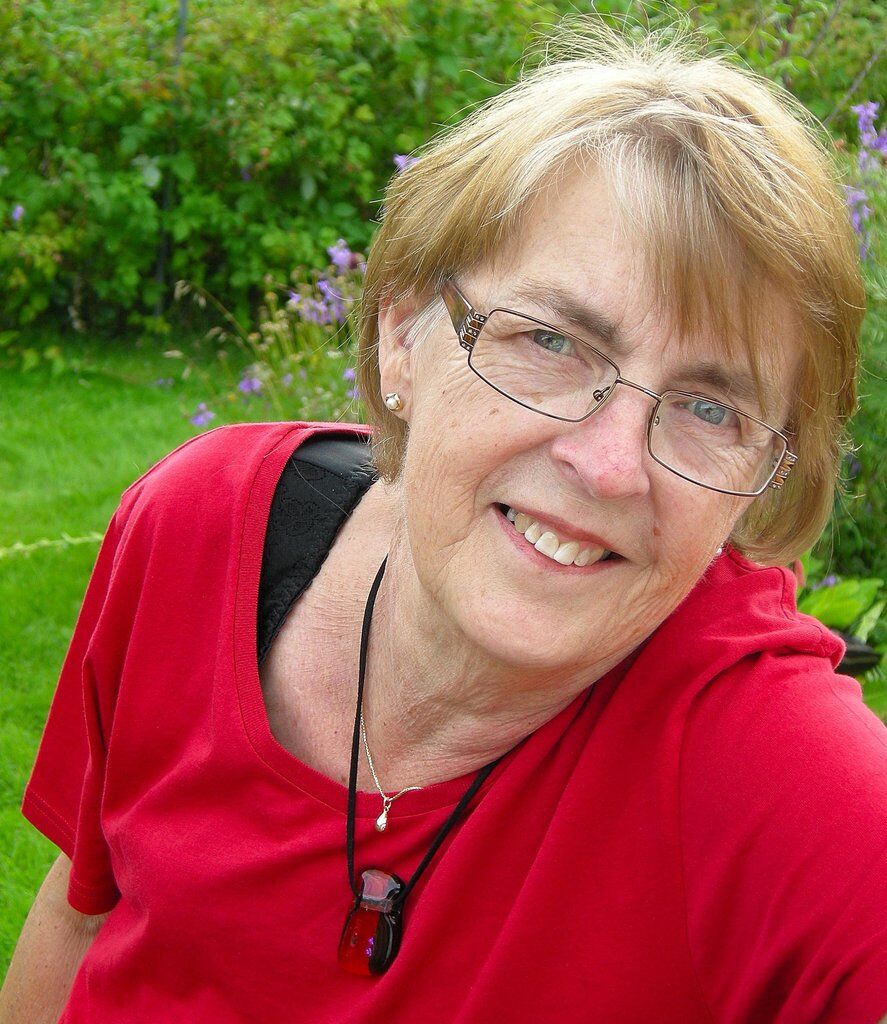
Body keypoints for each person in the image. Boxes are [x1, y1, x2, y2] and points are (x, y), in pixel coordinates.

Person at [2, 20, 886, 1024]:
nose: (607, 465)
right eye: (549, 340)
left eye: (707, 409)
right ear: (400, 333)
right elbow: (81, 910)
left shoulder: (772, 775)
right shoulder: (200, 526)